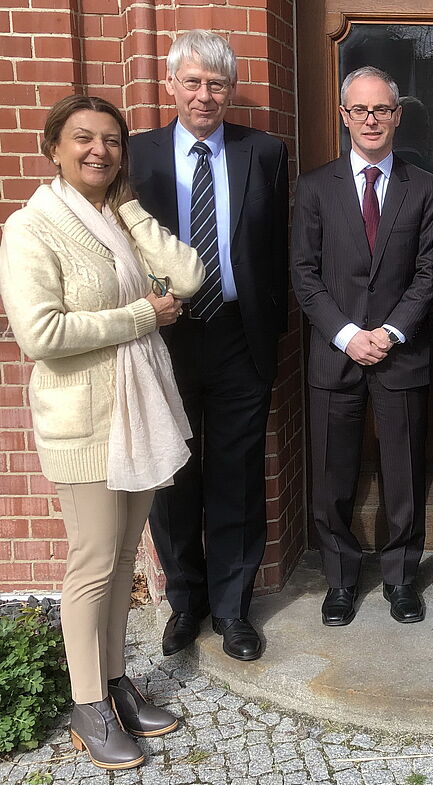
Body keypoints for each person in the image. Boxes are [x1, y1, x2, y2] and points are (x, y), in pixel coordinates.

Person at [0, 95, 204, 769]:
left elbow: (189, 275)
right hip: (84, 422)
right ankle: (89, 705)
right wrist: (142, 315)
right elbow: (43, 335)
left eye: (112, 141)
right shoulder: (32, 228)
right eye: (83, 139)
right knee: (91, 563)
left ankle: (115, 684)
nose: (99, 151)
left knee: (121, 559)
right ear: (52, 146)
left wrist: (131, 208)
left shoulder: (113, 218)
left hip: (136, 414)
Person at [130, 30, 289, 662]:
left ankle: (232, 608)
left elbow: (273, 247)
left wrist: (268, 328)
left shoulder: (264, 152)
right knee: (171, 475)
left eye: (216, 84)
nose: (204, 95)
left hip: (236, 335)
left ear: (230, 91)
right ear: (172, 85)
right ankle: (185, 602)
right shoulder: (137, 156)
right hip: (163, 336)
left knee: (238, 476)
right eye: (193, 82)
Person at [291, 66, 433, 626]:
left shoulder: (426, 186)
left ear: (397, 115)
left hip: (401, 354)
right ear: (345, 116)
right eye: (360, 110)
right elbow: (304, 273)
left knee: (404, 474)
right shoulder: (315, 186)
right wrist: (349, 334)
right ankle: (342, 581)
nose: (371, 119)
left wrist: (390, 331)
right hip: (336, 355)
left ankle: (401, 579)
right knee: (332, 477)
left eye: (382, 109)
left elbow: (429, 271)